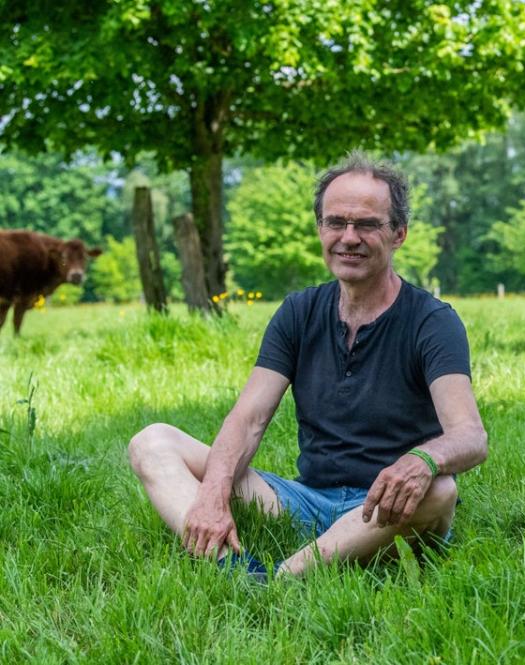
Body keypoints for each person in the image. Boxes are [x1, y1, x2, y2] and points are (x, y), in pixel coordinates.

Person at [128, 152, 488, 578]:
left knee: (441, 490)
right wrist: (212, 494)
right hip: (303, 500)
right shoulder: (299, 311)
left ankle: (285, 576)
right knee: (153, 442)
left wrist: (421, 461)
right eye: (336, 222)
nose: (348, 237)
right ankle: (234, 569)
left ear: (398, 234)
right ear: (320, 229)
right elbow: (248, 420)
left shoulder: (432, 321)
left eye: (367, 225)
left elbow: (470, 436)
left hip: (387, 509)